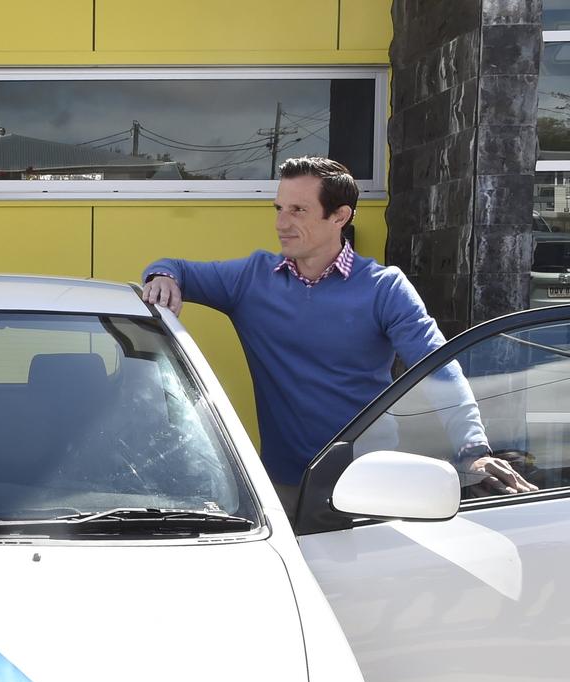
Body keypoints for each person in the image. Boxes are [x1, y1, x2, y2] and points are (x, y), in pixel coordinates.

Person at [141, 156, 535, 514]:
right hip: (283, 487)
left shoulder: (384, 288)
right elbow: (175, 266)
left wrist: (473, 451)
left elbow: (438, 369)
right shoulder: (250, 278)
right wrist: (163, 278)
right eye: (279, 208)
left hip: (370, 481)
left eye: (298, 210)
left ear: (340, 216)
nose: (281, 223)